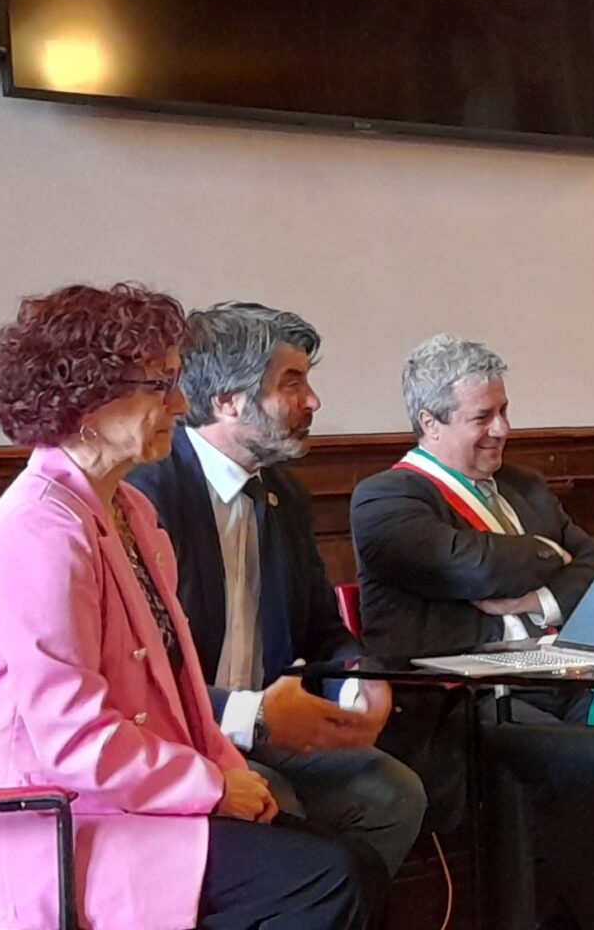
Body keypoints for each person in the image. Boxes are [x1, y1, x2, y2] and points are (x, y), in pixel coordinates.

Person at [0, 283, 367, 930]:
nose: (180, 403)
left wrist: (226, 770)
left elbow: (177, 689)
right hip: (56, 827)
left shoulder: (129, 509)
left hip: (126, 804)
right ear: (86, 400)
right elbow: (73, 740)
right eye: (160, 385)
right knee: (323, 880)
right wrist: (213, 786)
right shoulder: (36, 533)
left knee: (353, 865)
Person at [350, 334, 594, 929]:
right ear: (430, 423)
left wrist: (536, 598)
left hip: (558, 677)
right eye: (482, 417)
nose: (503, 429)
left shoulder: (526, 487)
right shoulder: (386, 498)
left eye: (504, 410)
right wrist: (548, 553)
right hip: (455, 706)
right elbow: (473, 567)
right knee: (564, 760)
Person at [129, 302, 427, 877]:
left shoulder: (283, 495)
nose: (312, 401)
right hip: (181, 739)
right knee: (276, 802)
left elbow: (321, 629)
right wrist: (253, 713)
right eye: (292, 383)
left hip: (269, 728)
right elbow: (142, 673)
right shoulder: (148, 496)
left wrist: (357, 682)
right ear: (228, 401)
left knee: (393, 793)